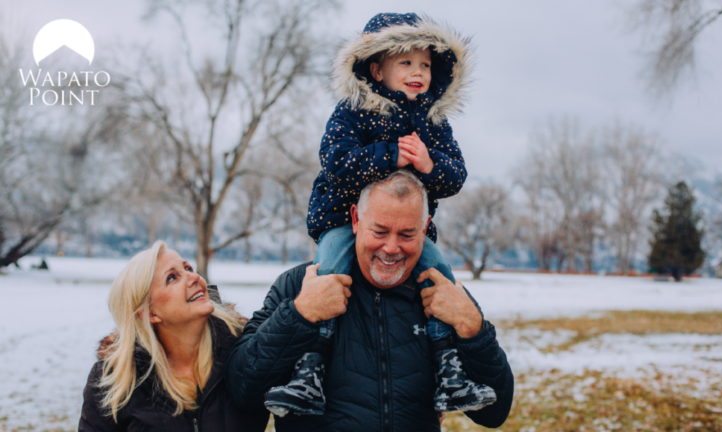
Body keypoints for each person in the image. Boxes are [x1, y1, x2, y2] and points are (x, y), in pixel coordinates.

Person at [263, 12, 492, 417]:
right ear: (376, 67)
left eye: (424, 64)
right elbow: (335, 161)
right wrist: (389, 155)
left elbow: (455, 176)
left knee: (440, 276)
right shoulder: (353, 110)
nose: (417, 72)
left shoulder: (434, 121)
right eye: (405, 62)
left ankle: (447, 364)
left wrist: (428, 164)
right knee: (329, 273)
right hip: (338, 219)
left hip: (411, 227)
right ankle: (310, 364)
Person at [226, 171, 514, 432]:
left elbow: (495, 413)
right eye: (380, 231)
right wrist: (300, 315)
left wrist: (472, 327)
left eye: (407, 234)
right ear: (355, 219)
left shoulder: (444, 293)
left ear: (425, 228)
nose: (391, 248)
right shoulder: (299, 285)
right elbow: (242, 390)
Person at [78, 241, 268, 431]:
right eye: (172, 278)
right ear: (150, 313)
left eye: (188, 268)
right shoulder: (112, 379)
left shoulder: (245, 350)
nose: (194, 277)